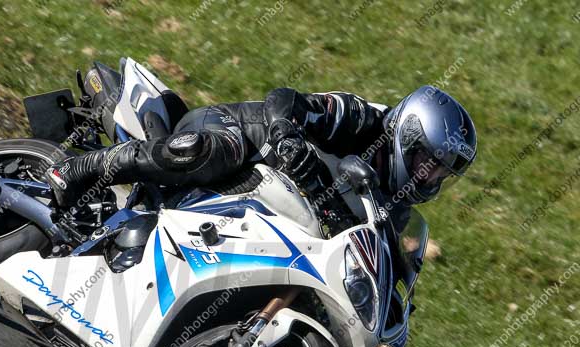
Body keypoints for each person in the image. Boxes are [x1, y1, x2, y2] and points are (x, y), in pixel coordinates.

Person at [44, 84, 476, 221]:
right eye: (426, 161)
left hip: (267, 202)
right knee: (216, 152)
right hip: (241, 137)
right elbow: (286, 99)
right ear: (407, 137)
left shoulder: (395, 205)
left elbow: (388, 251)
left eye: (439, 172)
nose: (428, 175)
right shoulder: (362, 119)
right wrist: (287, 134)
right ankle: (86, 166)